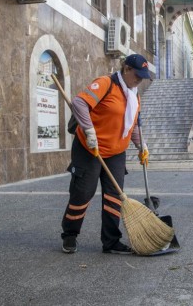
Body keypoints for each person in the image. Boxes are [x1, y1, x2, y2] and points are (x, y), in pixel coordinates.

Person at [61, 54, 152, 254]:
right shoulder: (106, 84)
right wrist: (90, 131)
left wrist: (141, 145)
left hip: (116, 152)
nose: (139, 80)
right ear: (126, 69)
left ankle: (111, 241)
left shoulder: (134, 96)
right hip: (89, 148)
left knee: (114, 196)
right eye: (137, 75)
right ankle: (70, 235)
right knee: (83, 192)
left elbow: (133, 126)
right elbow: (79, 103)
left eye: (143, 77)